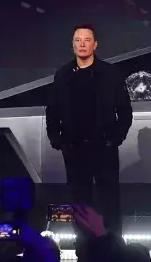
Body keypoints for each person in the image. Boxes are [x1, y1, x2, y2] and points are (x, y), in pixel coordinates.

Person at [45, 24, 133, 236]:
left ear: (95, 44)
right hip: (74, 148)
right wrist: (56, 138)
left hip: (103, 147)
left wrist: (114, 139)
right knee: (79, 199)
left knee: (109, 198)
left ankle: (113, 242)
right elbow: (52, 109)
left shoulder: (110, 73)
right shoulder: (63, 74)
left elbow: (124, 111)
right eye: (78, 40)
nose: (82, 44)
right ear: (72, 44)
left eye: (86, 40)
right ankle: (83, 243)